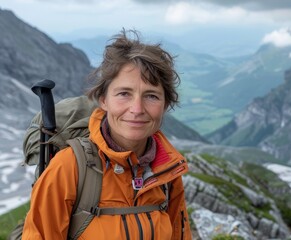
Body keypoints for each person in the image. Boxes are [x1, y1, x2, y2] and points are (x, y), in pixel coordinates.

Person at [22, 29, 192, 239]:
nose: (137, 109)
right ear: (103, 100)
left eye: (151, 96)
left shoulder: (167, 171)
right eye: (124, 94)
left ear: (165, 104)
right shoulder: (69, 167)